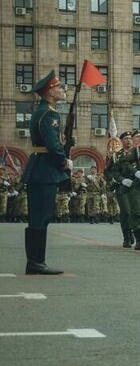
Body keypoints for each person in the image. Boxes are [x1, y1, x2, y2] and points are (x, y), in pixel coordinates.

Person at [20, 71, 69, 274]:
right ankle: (36, 262)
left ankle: (35, 261)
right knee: (41, 216)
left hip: (40, 167)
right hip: (45, 169)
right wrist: (64, 161)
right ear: (49, 92)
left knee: (39, 216)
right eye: (59, 87)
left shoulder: (42, 111)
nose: (63, 90)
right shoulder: (49, 114)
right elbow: (52, 145)